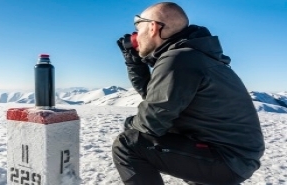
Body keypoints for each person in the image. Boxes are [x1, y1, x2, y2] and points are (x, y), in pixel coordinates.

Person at [113, 2, 265, 185]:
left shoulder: (178, 59)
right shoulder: (192, 56)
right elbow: (157, 98)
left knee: (128, 143)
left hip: (227, 159)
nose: (136, 35)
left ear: (152, 27)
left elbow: (151, 122)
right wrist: (134, 63)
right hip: (234, 155)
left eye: (138, 27)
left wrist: (130, 123)